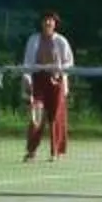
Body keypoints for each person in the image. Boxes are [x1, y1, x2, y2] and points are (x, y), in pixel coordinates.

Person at [20, 10, 73, 162]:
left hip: (56, 82)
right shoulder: (33, 40)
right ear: (41, 23)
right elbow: (28, 61)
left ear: (55, 24)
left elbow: (69, 62)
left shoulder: (61, 41)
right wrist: (27, 78)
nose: (48, 23)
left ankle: (56, 152)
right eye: (45, 20)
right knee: (36, 116)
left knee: (56, 117)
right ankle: (31, 152)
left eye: (51, 21)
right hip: (38, 81)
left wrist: (59, 72)